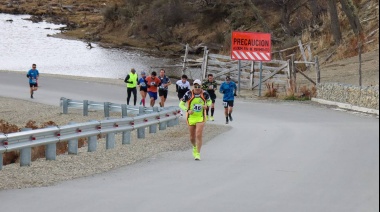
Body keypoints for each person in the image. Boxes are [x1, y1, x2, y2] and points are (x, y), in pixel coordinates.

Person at [179, 79, 212, 161]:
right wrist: (187, 110)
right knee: (192, 137)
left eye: (198, 86)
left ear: (201, 86)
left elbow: (209, 101)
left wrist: (206, 106)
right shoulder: (188, 94)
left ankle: (198, 153)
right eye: (195, 86)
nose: (197, 88)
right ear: (193, 86)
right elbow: (181, 104)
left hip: (200, 117)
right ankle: (194, 147)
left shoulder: (204, 93)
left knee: (198, 134)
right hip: (191, 117)